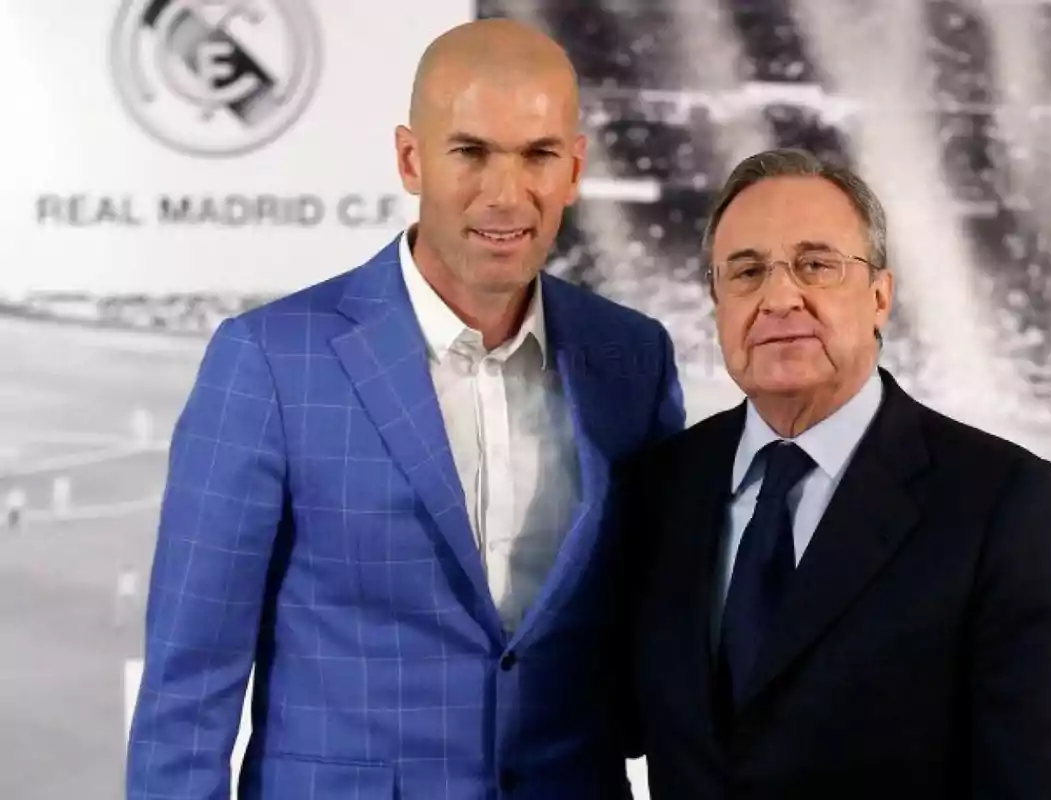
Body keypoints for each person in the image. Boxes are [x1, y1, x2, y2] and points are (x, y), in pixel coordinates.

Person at [125, 19, 684, 800]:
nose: (506, 192)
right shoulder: (269, 361)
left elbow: (663, 636)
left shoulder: (633, 358)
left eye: (538, 155)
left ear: (575, 167)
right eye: (471, 151)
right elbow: (189, 686)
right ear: (410, 159)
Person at [620, 148, 1051, 798]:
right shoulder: (658, 489)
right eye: (747, 271)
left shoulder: (1007, 505)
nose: (780, 296)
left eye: (816, 265)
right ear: (716, 302)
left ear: (880, 295)